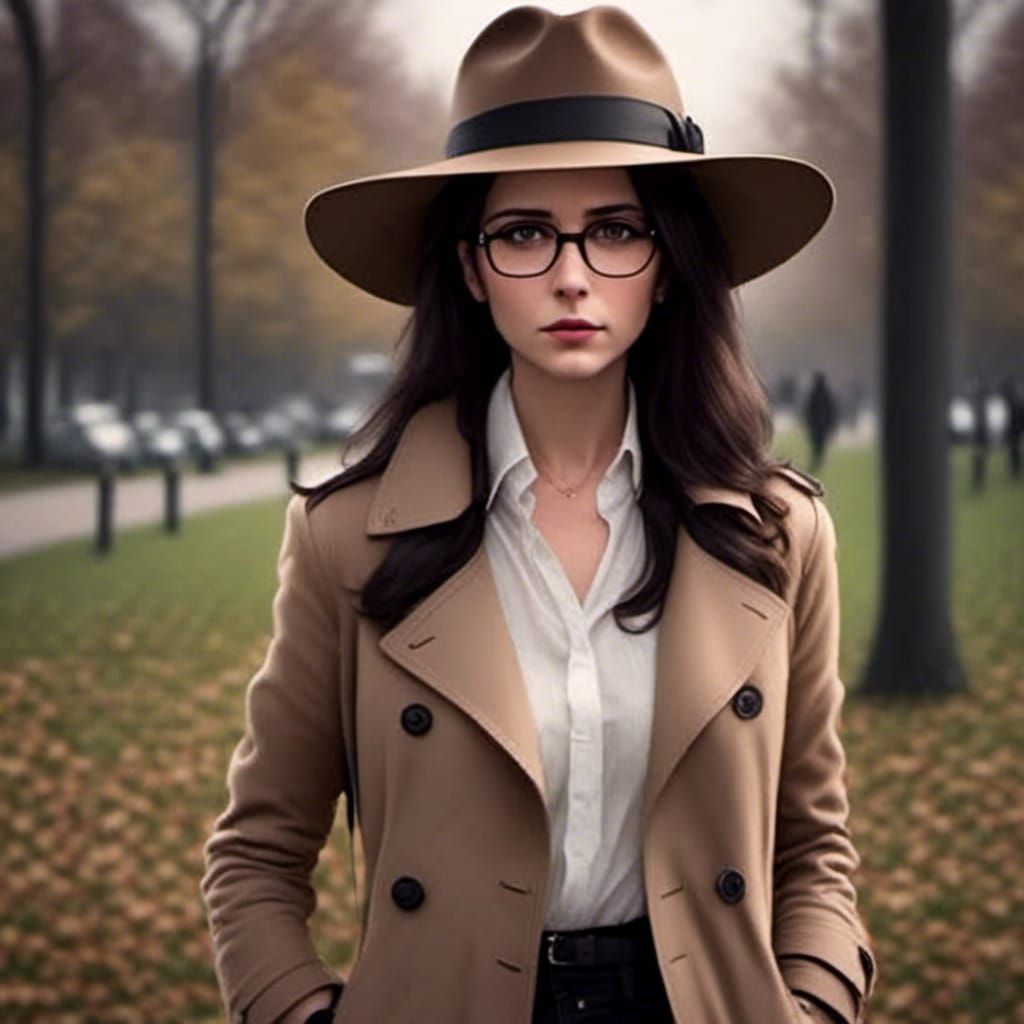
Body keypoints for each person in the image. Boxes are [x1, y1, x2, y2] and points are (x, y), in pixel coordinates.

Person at [199, 6, 878, 1024]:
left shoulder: (777, 533)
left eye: (614, 231)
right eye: (523, 233)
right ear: (471, 268)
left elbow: (813, 846)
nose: (570, 275)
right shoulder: (348, 539)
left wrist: (813, 1005)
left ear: (667, 263)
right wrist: (302, 1012)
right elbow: (256, 853)